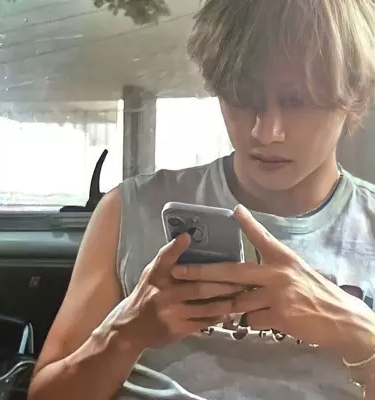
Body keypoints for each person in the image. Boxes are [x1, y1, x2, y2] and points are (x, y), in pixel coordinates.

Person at [27, 0, 375, 399]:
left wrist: (360, 334)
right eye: (243, 97)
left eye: (298, 102)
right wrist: (126, 333)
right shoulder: (129, 210)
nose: (265, 133)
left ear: (355, 97)